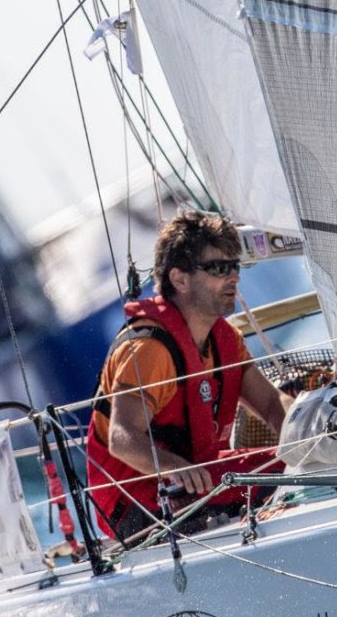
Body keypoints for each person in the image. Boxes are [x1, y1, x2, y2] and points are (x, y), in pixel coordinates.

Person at [86, 211, 289, 544]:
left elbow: (269, 402)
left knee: (296, 467)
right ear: (179, 279)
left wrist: (304, 430)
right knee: (283, 475)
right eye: (219, 268)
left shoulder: (225, 339)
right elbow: (122, 439)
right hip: (138, 502)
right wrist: (175, 467)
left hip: (199, 476)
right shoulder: (148, 350)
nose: (234, 278)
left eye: (235, 266)